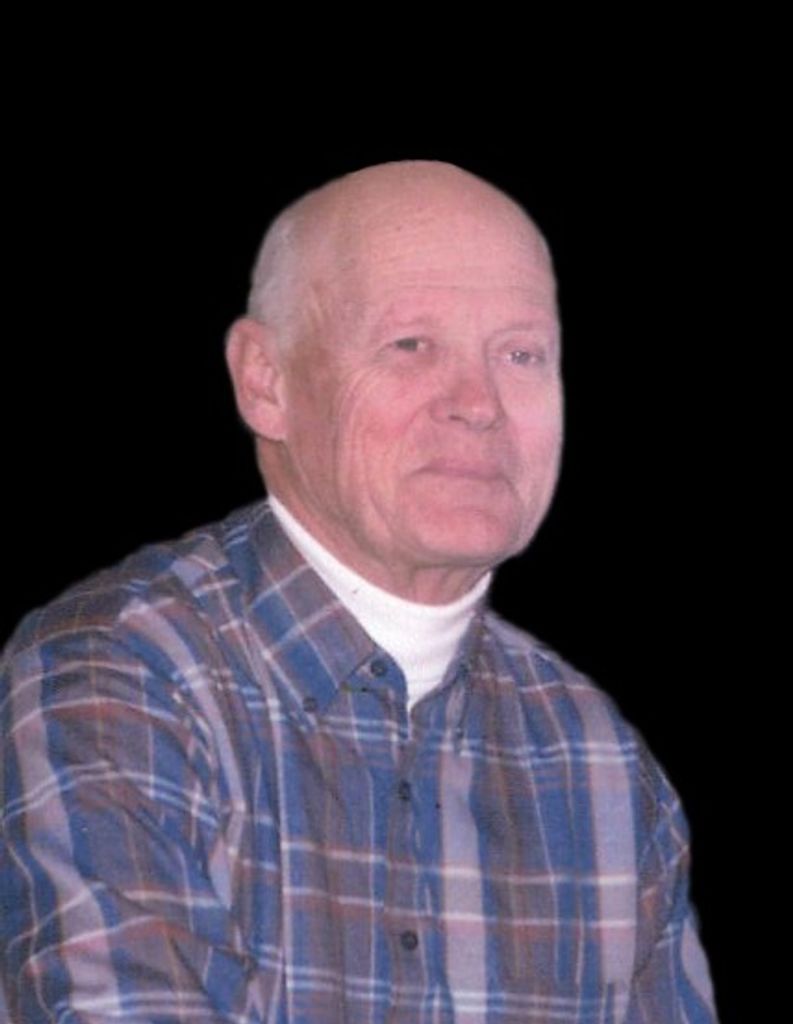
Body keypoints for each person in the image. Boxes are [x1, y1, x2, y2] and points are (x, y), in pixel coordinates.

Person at [0, 161, 717, 1023]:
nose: (478, 403)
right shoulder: (116, 676)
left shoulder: (599, 762)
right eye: (411, 344)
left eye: (520, 354)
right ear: (265, 380)